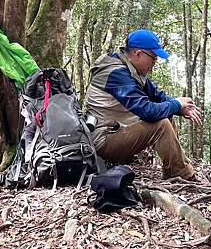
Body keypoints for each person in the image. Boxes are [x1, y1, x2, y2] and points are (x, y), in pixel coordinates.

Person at [85, 28, 202, 180]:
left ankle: (174, 171)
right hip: (104, 141)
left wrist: (181, 108)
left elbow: (158, 97)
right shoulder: (116, 74)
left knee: (168, 115)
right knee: (161, 124)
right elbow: (147, 111)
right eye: (153, 58)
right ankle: (185, 177)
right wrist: (176, 104)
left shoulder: (131, 71)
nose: (155, 63)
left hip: (117, 132)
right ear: (138, 54)